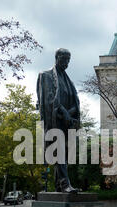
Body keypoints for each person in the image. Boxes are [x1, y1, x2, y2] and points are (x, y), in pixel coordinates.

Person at [36, 48, 80, 193]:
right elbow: (48, 100)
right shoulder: (46, 76)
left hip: (68, 122)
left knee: (65, 153)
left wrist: (70, 114)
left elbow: (75, 102)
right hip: (55, 120)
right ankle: (65, 184)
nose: (67, 63)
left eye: (69, 60)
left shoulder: (69, 81)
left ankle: (59, 186)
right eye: (64, 59)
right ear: (57, 57)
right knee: (59, 150)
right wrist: (63, 113)